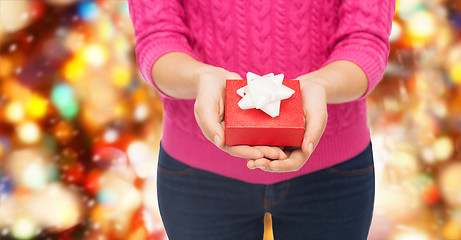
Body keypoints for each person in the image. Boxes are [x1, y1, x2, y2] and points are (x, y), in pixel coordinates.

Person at [128, 0, 394, 239]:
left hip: (334, 170)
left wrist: (323, 85)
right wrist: (199, 78)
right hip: (197, 171)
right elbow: (157, 37)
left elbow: (366, 39)